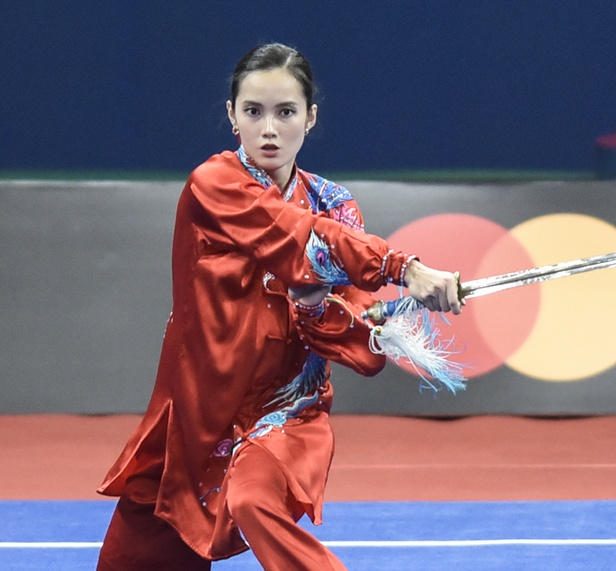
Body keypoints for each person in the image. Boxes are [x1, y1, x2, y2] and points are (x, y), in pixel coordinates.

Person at [96, 43, 462, 570]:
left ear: (310, 119)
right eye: (254, 111)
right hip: (195, 421)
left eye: (286, 112)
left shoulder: (337, 205)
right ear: (232, 116)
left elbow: (360, 351)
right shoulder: (213, 186)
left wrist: (319, 310)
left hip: (284, 417)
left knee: (252, 501)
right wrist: (403, 268)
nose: (269, 129)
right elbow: (297, 239)